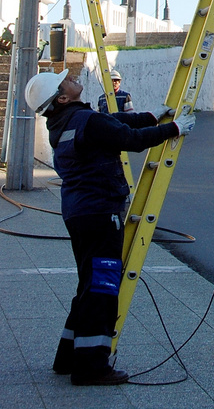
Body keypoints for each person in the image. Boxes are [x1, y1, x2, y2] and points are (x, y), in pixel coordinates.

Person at [24, 68, 195, 387]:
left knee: (89, 284)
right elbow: (129, 139)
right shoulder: (84, 120)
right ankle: (90, 367)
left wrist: (151, 116)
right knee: (102, 286)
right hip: (101, 212)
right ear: (62, 97)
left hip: (80, 212)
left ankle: (68, 357)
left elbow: (114, 127)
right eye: (68, 81)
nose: (74, 78)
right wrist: (174, 128)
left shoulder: (62, 123)